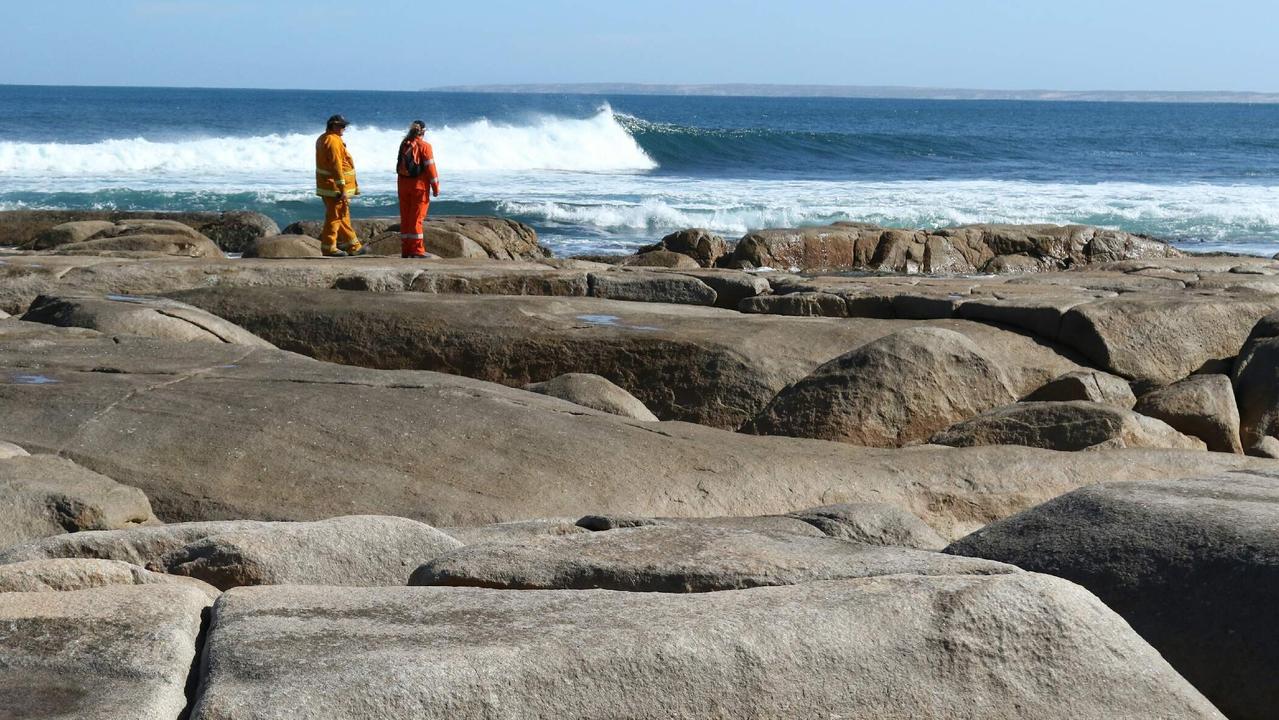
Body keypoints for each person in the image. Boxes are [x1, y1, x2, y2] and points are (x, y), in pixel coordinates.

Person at [314, 114, 366, 257]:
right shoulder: (333, 141)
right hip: (334, 188)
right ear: (333, 126)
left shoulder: (323, 138)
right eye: (342, 126)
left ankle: (353, 247)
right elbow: (337, 166)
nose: (344, 128)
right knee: (335, 217)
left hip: (327, 186)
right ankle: (329, 247)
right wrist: (342, 188)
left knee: (343, 216)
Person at [396, 119, 441, 258]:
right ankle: (417, 250)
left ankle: (406, 250)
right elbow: (431, 169)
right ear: (423, 131)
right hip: (419, 187)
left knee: (406, 218)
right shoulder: (424, 146)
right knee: (416, 219)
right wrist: (435, 187)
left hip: (403, 186)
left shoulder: (404, 144)